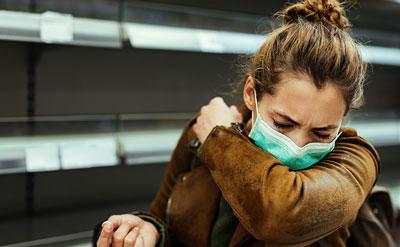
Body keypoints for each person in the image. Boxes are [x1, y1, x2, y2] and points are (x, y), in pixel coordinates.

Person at [96, 0, 385, 246]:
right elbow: (163, 214)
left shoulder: (354, 161)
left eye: (321, 132)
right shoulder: (203, 131)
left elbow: (278, 216)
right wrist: (150, 231)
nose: (298, 145)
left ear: (343, 118)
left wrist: (221, 140)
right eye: (283, 124)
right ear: (251, 93)